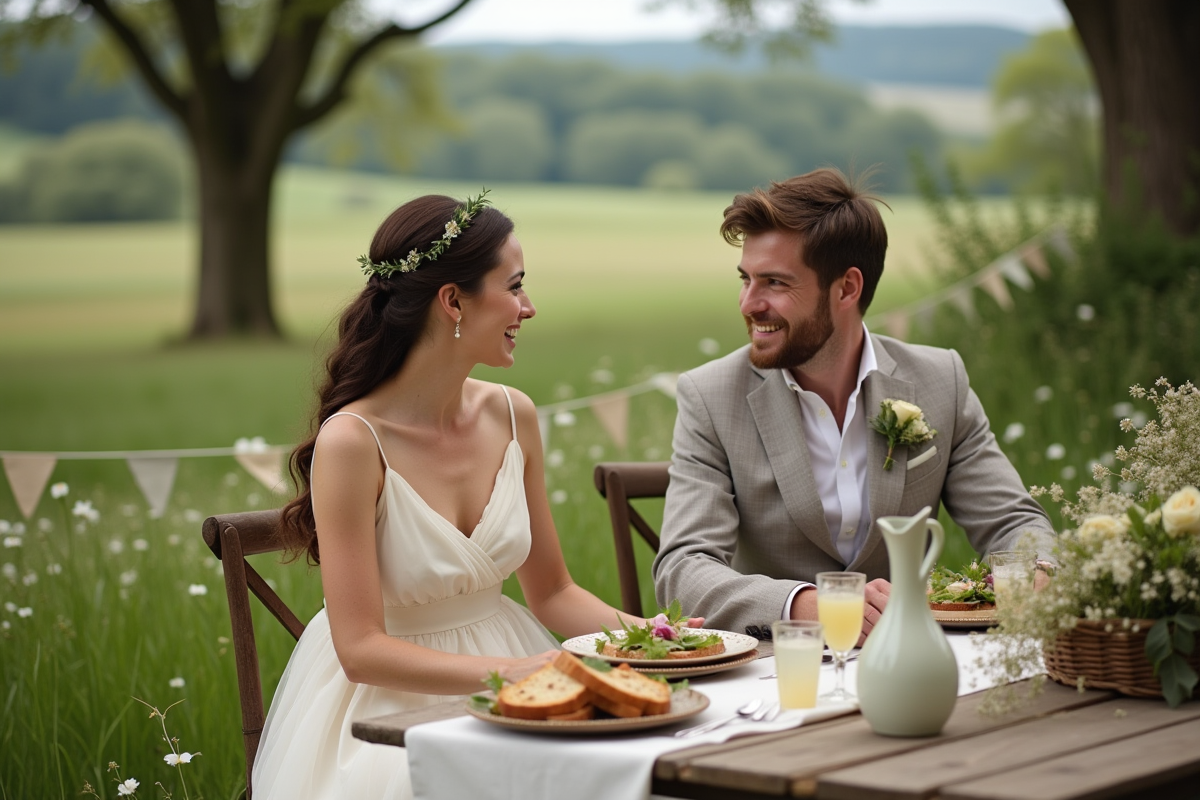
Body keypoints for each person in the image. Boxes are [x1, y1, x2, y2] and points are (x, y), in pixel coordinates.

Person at [256, 192, 680, 800]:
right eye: (515, 286)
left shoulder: (513, 415)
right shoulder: (353, 442)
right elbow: (360, 649)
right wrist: (519, 673)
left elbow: (553, 593)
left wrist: (654, 639)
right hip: (390, 708)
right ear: (453, 301)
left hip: (515, 666)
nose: (528, 308)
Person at [652, 168, 1055, 640]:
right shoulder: (711, 395)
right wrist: (806, 605)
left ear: (846, 288)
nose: (748, 303)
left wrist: (1038, 572)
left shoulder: (939, 380)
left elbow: (1013, 522)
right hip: (782, 665)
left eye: (775, 283)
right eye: (746, 279)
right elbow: (684, 567)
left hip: (914, 656)